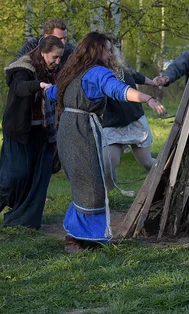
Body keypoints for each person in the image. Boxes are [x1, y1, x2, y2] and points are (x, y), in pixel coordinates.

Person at [45, 32, 166, 253]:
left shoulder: (71, 72)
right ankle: (76, 238)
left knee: (85, 184)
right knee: (91, 186)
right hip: (81, 134)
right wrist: (147, 98)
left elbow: (53, 94)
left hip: (68, 133)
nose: (110, 53)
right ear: (95, 50)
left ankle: (83, 236)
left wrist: (43, 90)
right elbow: (119, 90)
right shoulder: (96, 73)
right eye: (107, 49)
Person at [0, 36, 64, 228]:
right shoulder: (23, 67)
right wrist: (38, 85)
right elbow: (19, 88)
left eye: (59, 58)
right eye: (54, 57)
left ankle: (25, 221)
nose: (58, 62)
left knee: (39, 177)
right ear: (43, 52)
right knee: (17, 174)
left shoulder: (54, 70)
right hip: (20, 130)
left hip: (44, 129)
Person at [102, 49, 158, 190]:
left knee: (147, 162)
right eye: (104, 50)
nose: (109, 54)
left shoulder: (122, 66)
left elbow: (137, 76)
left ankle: (164, 183)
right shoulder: (96, 72)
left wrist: (152, 82)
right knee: (108, 164)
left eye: (110, 49)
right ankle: (106, 195)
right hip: (112, 125)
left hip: (134, 121)